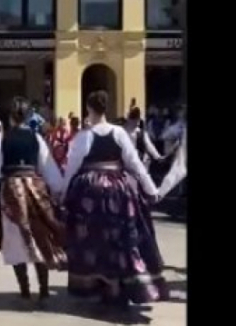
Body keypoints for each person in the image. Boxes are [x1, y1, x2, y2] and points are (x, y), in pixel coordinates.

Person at [62, 90, 167, 308]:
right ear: (105, 108)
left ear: (88, 109)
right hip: (120, 191)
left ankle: (100, 285)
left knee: (93, 241)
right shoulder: (119, 133)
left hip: (90, 194)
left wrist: (63, 193)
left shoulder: (84, 136)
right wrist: (151, 189)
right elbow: (135, 164)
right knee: (122, 240)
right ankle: (120, 286)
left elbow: (71, 167)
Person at [0, 97, 66, 305]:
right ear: (28, 116)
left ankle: (25, 290)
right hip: (35, 190)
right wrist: (58, 189)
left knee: (14, 239)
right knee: (39, 236)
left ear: (10, 117)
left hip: (11, 191)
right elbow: (48, 168)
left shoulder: (2, 138)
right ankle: (44, 290)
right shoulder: (36, 138)